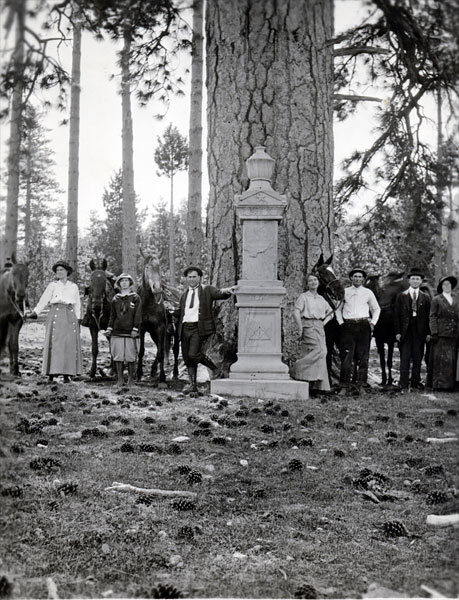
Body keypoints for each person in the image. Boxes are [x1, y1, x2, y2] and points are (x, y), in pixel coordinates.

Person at [176, 266, 237, 397]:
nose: (192, 279)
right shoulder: (184, 295)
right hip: (185, 328)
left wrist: (229, 290)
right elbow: (181, 312)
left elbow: (219, 293)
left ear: (199, 278)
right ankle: (193, 386)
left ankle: (214, 368)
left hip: (199, 328)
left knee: (193, 354)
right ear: (186, 279)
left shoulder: (206, 290)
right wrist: (171, 311)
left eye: (194, 277)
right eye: (189, 277)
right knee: (187, 358)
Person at [28, 260, 82, 383]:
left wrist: (78, 319)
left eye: (61, 270)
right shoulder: (53, 285)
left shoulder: (73, 286)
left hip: (69, 315)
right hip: (55, 314)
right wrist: (36, 312)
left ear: (67, 271)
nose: (59, 272)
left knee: (68, 344)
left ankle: (67, 374)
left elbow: (77, 304)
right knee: (55, 343)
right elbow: (44, 300)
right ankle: (51, 373)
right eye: (57, 270)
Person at [335, 267, 380, 392]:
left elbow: (376, 309)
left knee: (363, 356)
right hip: (348, 326)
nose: (357, 279)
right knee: (347, 356)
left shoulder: (368, 292)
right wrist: (341, 323)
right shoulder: (344, 292)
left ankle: (361, 385)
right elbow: (337, 309)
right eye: (355, 276)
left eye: (360, 277)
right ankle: (344, 386)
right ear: (351, 278)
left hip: (363, 326)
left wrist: (373, 323)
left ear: (363, 279)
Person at [291, 273, 333, 392]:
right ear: (307, 284)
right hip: (308, 325)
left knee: (323, 352)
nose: (313, 282)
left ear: (318, 282)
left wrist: (322, 323)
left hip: (319, 326)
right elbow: (296, 312)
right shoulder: (304, 297)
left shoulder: (321, 298)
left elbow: (331, 312)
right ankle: (297, 368)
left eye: (315, 280)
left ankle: (317, 385)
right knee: (319, 350)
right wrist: (300, 328)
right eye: (310, 281)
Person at [394, 268, 431, 392]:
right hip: (405, 331)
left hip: (419, 331)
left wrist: (428, 333)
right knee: (404, 357)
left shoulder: (425, 298)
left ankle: (415, 383)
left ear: (421, 282)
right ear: (409, 281)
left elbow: (428, 317)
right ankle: (403, 383)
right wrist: (398, 332)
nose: (415, 281)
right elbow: (397, 315)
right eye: (413, 279)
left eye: (418, 279)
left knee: (417, 357)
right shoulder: (401, 296)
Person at [105, 273, 142, 387]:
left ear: (130, 284)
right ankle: (120, 379)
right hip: (117, 331)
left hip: (131, 331)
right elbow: (112, 315)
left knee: (131, 356)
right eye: (122, 281)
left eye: (127, 281)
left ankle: (131, 379)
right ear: (119, 283)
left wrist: (135, 329)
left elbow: (138, 315)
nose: (124, 283)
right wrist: (109, 328)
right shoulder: (116, 298)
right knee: (118, 356)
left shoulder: (135, 297)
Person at [427, 275, 459, 391]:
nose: (447, 286)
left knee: (452, 360)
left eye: (449, 284)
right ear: (441, 286)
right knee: (440, 360)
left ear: (452, 286)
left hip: (454, 333)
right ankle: (439, 385)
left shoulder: (456, 298)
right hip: (441, 333)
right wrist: (434, 332)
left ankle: (451, 385)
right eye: (444, 284)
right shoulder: (436, 300)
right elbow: (432, 316)